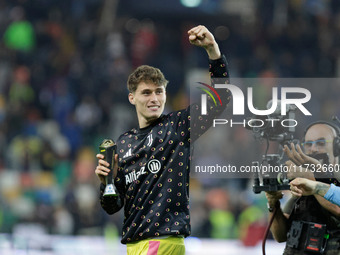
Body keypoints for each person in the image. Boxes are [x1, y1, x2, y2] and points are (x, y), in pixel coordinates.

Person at [95, 25, 231, 255]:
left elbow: (221, 98)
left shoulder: (177, 126)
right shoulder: (124, 142)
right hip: (134, 245)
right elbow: (113, 206)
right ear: (132, 98)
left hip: (163, 241)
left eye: (159, 92)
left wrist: (212, 50)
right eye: (147, 93)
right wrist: (106, 182)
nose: (155, 98)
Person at [265, 121, 340, 255]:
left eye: (321, 143)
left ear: (337, 147)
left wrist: (311, 179)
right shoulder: (300, 184)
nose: (313, 149)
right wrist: (273, 203)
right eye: (308, 144)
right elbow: (280, 236)